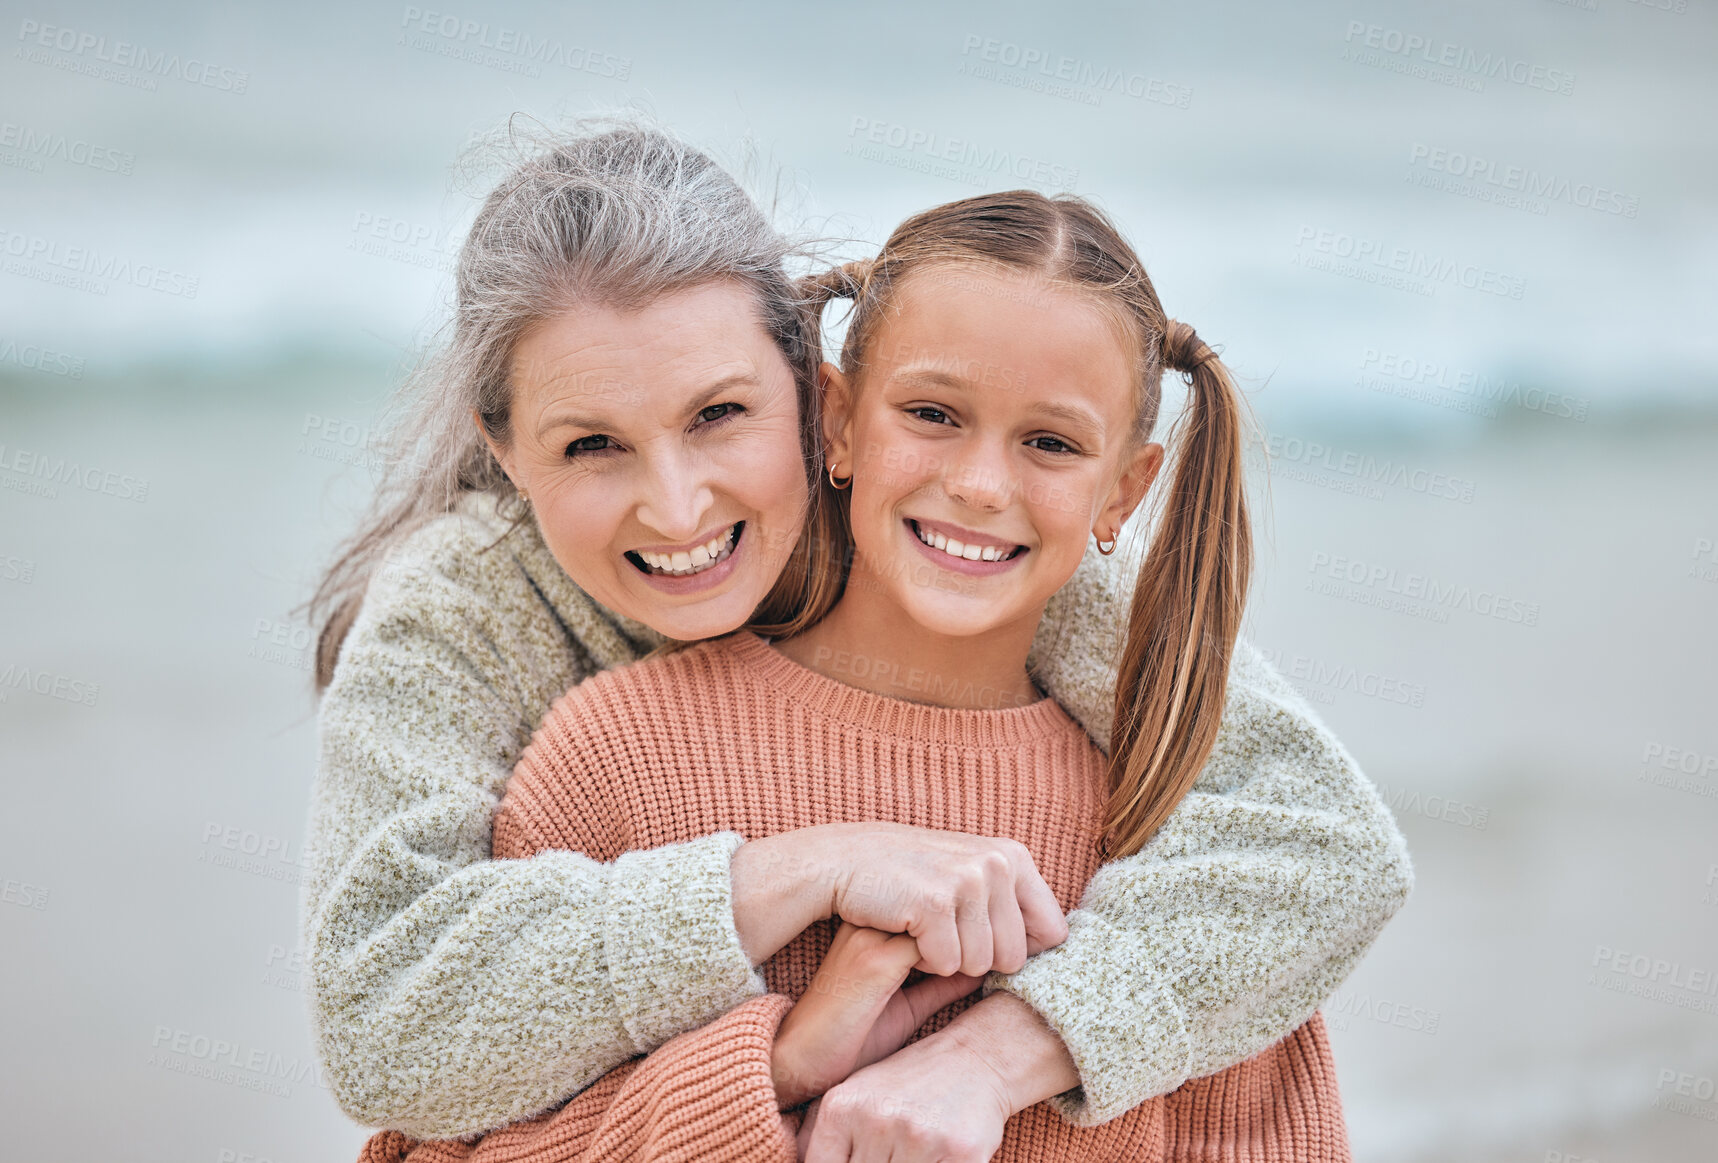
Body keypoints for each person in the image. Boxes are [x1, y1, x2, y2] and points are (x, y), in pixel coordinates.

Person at [303, 122, 1411, 1145]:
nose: (680, 507)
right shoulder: (463, 612)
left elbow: (1317, 838)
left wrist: (1000, 1045)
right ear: (501, 448)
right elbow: (385, 1025)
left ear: (813, 399)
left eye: (719, 414)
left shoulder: (941, 523)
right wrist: (806, 868)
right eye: (591, 444)